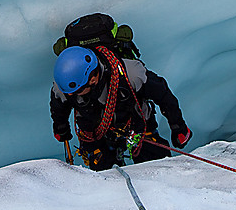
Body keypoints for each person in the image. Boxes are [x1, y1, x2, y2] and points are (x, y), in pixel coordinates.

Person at [50, 44, 192, 171]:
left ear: (92, 79)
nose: (72, 95)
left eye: (78, 91)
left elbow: (163, 95)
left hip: (136, 125)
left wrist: (178, 126)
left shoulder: (131, 73)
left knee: (156, 166)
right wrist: (60, 127)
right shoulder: (65, 87)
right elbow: (58, 106)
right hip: (95, 132)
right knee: (104, 175)